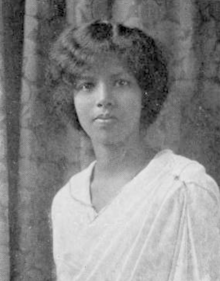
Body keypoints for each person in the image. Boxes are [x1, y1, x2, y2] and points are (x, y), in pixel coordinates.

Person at [50, 20, 220, 281]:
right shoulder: (66, 202)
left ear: (145, 93)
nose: (103, 98)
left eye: (121, 83)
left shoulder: (185, 189)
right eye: (86, 85)